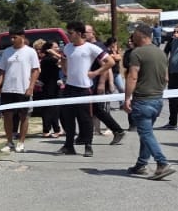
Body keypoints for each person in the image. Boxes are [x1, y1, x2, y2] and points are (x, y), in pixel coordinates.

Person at [122, 25, 174, 179]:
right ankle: (141, 164)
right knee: (147, 133)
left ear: (141, 35)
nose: (132, 37)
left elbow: (132, 76)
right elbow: (166, 78)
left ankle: (162, 163)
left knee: (145, 133)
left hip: (143, 99)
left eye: (134, 34)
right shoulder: (161, 53)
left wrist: (127, 98)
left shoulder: (137, 53)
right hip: (157, 99)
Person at [59, 21, 104, 157]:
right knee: (68, 118)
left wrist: (96, 73)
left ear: (79, 33)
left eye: (71, 33)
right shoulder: (67, 47)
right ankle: (69, 145)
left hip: (84, 88)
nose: (68, 35)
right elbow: (64, 59)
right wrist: (65, 70)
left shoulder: (91, 48)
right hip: (70, 87)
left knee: (85, 119)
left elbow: (110, 62)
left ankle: (88, 145)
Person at [0, 28, 39, 152]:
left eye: (15, 37)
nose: (12, 40)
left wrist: (31, 87)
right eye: (11, 38)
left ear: (22, 37)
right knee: (7, 116)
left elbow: (35, 70)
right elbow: (2, 71)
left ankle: (21, 142)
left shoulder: (30, 52)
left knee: (24, 115)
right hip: (8, 88)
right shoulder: (7, 52)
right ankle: (9, 142)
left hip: (23, 88)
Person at [93, 38, 127, 144]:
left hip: (94, 82)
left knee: (97, 109)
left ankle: (117, 130)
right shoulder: (74, 47)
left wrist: (103, 82)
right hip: (81, 83)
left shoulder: (95, 47)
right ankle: (83, 135)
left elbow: (108, 64)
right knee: (87, 109)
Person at [35, 38, 64, 138]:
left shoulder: (48, 59)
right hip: (50, 86)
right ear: (49, 49)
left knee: (53, 108)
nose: (58, 49)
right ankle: (48, 130)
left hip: (52, 85)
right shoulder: (49, 59)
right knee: (50, 108)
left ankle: (55, 129)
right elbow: (62, 60)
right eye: (55, 47)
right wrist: (54, 53)